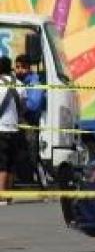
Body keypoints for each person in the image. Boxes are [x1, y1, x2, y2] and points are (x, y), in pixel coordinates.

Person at [13, 54, 44, 184]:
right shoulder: (15, 81)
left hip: (30, 123)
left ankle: (32, 177)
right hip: (16, 120)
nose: (19, 70)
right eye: (17, 67)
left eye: (23, 67)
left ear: (29, 68)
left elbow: (33, 105)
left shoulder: (34, 83)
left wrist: (18, 101)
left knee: (30, 150)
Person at [0, 56, 22, 195]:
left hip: (0, 129)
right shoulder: (18, 84)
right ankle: (8, 195)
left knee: (1, 164)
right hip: (14, 128)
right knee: (11, 164)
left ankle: (1, 195)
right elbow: (24, 105)